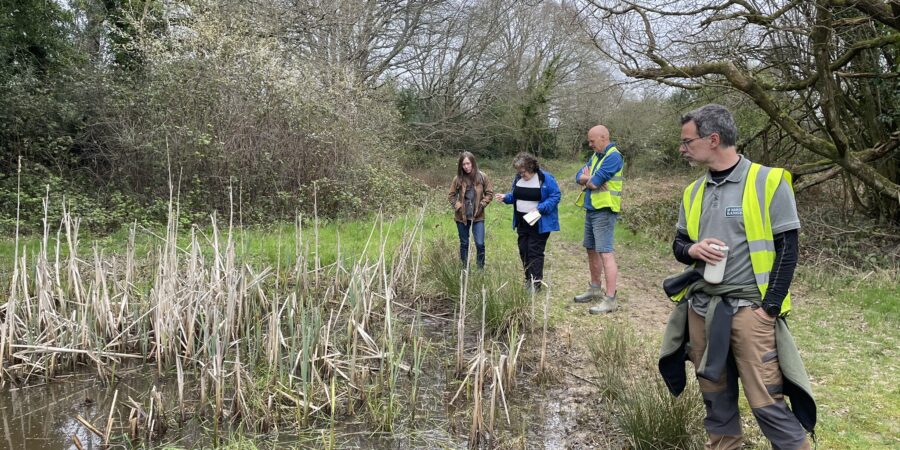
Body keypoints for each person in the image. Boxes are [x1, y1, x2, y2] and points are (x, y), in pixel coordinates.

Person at [659, 104, 815, 450]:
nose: (682, 149)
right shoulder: (693, 192)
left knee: (768, 403)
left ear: (713, 140)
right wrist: (693, 250)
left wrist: (768, 310)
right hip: (702, 309)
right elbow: (679, 244)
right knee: (715, 400)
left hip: (751, 312)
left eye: (687, 141)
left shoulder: (769, 181)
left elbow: (788, 250)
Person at [573, 125, 624, 314]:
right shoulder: (596, 156)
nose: (590, 144)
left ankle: (610, 299)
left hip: (605, 209)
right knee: (591, 249)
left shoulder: (613, 156)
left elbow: (593, 182)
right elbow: (578, 176)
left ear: (603, 137)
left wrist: (589, 179)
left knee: (605, 252)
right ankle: (595, 289)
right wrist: (588, 178)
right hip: (591, 208)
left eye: (592, 141)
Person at [494, 152, 561, 292]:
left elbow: (555, 196)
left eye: (523, 171)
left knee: (534, 251)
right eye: (519, 171)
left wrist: (541, 208)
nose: (521, 174)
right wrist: (506, 197)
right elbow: (516, 196)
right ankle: (528, 279)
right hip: (522, 222)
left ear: (531, 167)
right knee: (523, 250)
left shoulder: (545, 178)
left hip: (539, 223)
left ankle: (535, 283)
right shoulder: (518, 178)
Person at [449, 152, 493, 269]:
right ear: (461, 165)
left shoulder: (482, 177)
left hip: (478, 216)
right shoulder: (457, 179)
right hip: (462, 217)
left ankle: (480, 269)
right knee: (464, 244)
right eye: (463, 164)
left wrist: (482, 204)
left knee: (480, 243)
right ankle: (465, 269)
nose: (466, 166)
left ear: (473, 163)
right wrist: (457, 205)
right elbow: (451, 195)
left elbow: (489, 193)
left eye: (468, 163)